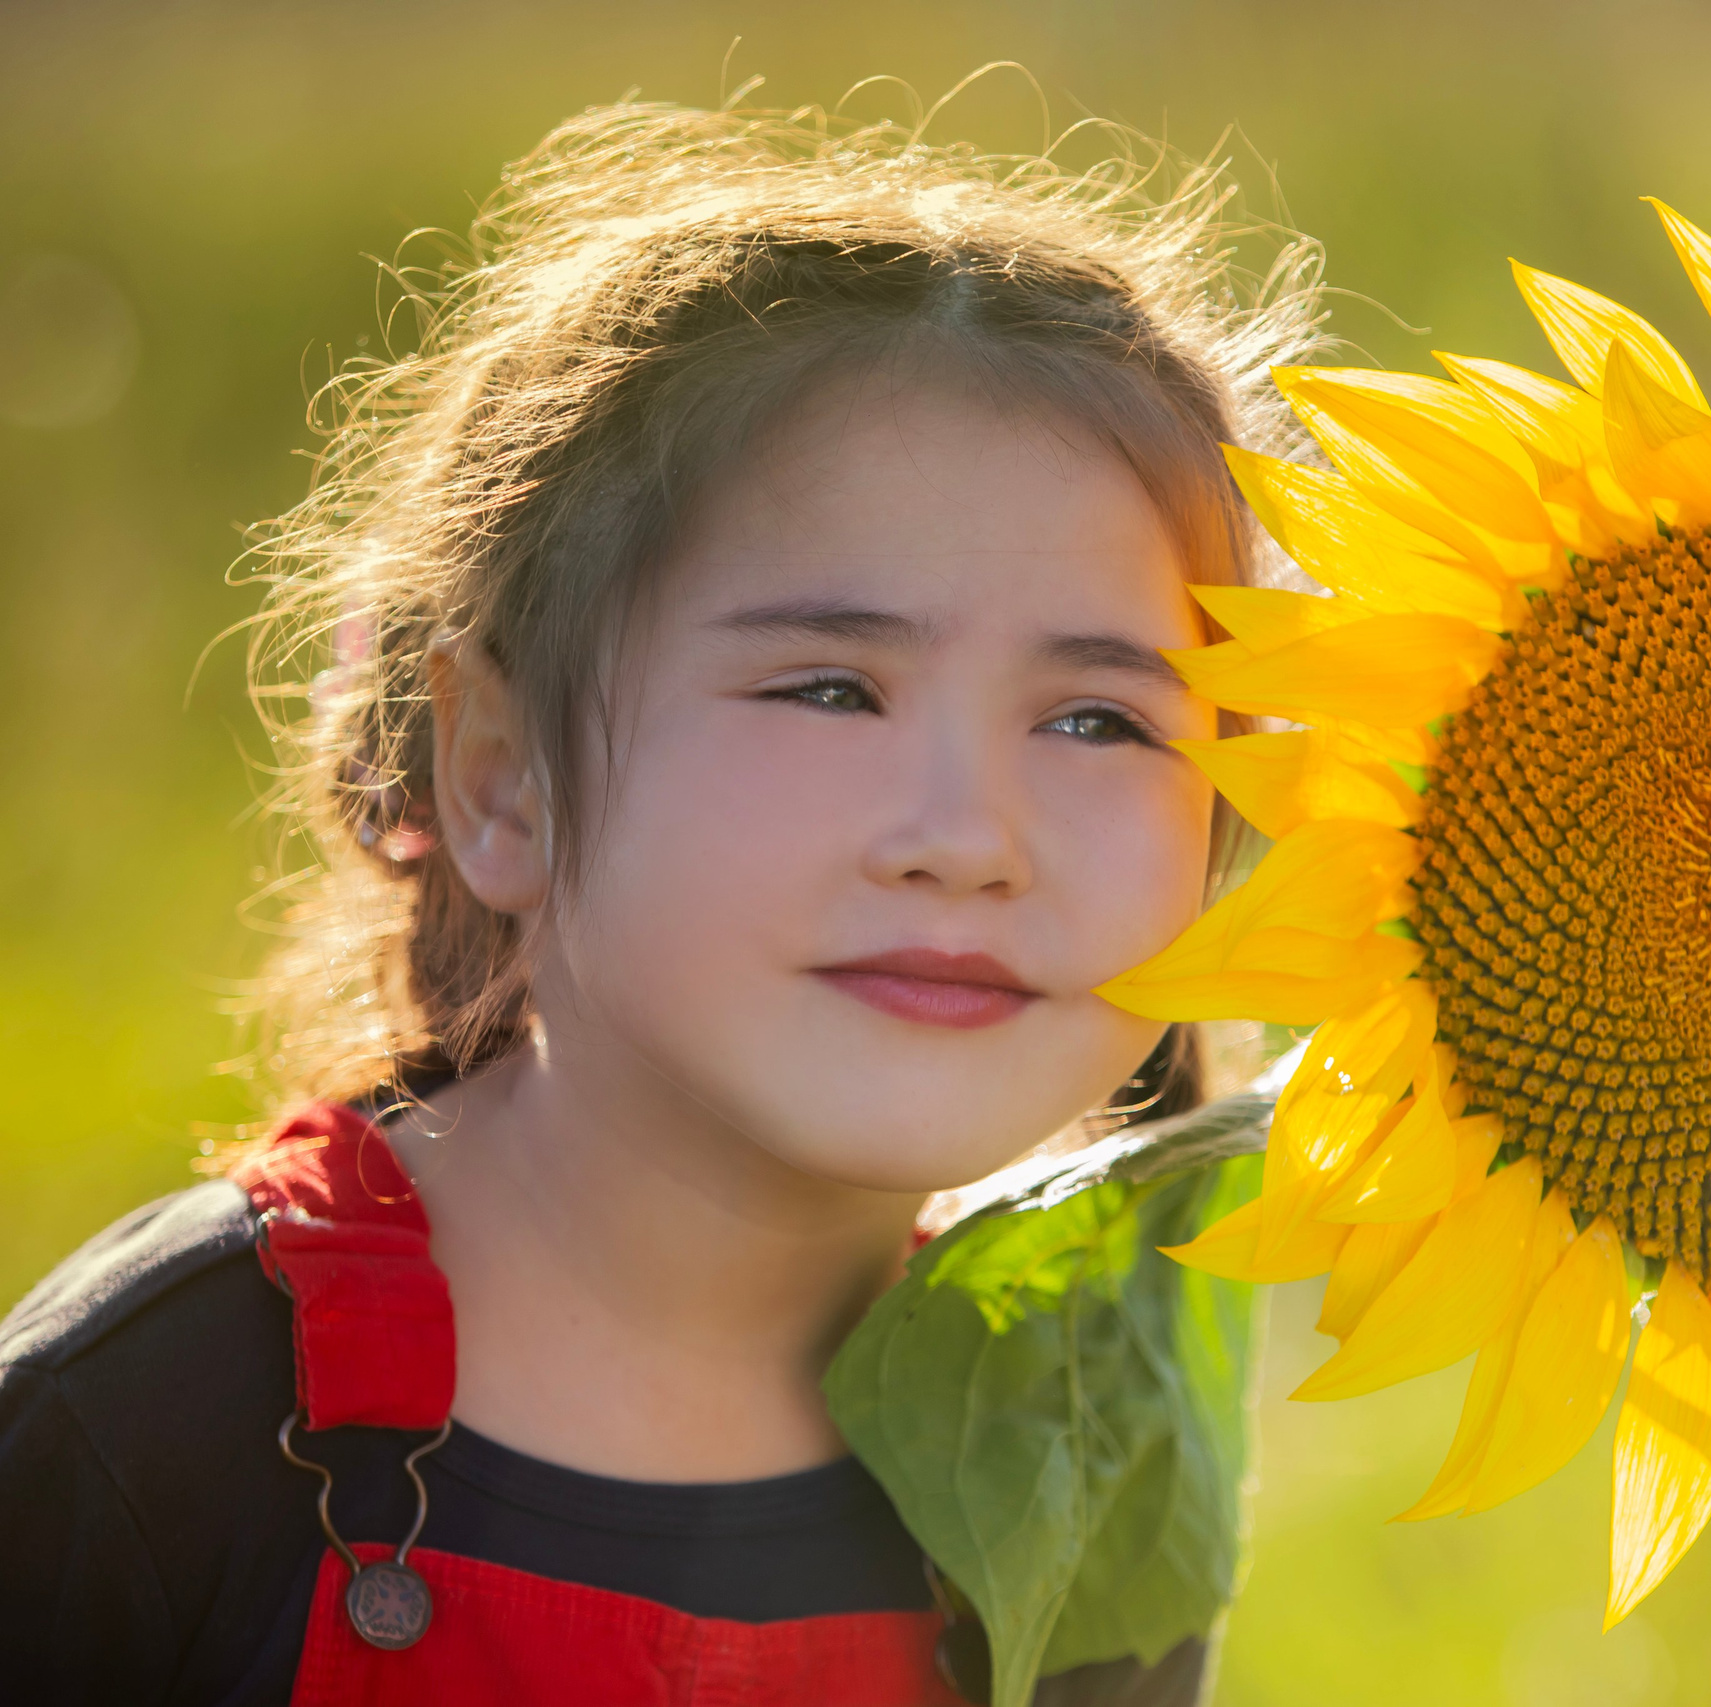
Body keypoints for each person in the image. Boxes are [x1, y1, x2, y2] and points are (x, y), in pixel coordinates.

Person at [0, 95, 1318, 1705]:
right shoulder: (155, 1429)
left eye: (1100, 721)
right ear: (504, 780)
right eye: (830, 689)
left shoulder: (1074, 1465)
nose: (969, 838)